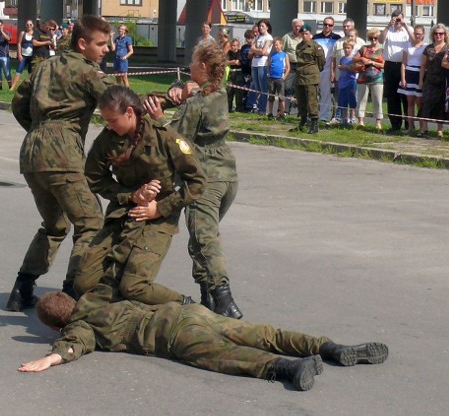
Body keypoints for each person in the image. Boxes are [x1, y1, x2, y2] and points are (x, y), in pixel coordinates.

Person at [19, 286, 389, 392]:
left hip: (172, 334)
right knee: (263, 333)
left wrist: (51, 358)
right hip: (187, 313)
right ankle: (331, 348)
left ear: (56, 326)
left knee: (225, 355)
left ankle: (290, 370)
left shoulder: (78, 328)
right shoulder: (98, 296)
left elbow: (73, 345)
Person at [6, 16, 115, 312]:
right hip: (63, 153)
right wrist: (168, 100)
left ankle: (22, 288)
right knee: (91, 223)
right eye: (102, 44)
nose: (108, 49)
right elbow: (119, 103)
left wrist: (39, 129)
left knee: (54, 225)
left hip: (31, 153)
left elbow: (18, 103)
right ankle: (72, 295)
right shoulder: (89, 72)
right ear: (83, 43)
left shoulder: (44, 67)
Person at [73, 85, 206, 304]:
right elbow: (94, 178)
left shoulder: (164, 137)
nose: (109, 126)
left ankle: (185, 305)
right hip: (123, 212)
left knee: (133, 286)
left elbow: (197, 182)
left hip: (158, 218)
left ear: (129, 113)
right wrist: (131, 195)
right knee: (85, 283)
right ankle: (119, 309)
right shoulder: (107, 140)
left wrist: (159, 209)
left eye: (113, 120)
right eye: (106, 121)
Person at [146, 43, 243, 319]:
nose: (189, 65)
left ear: (202, 66)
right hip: (228, 176)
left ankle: (224, 298)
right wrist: (183, 86)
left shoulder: (196, 103)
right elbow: (197, 89)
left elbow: (176, 141)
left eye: (192, 61)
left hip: (205, 177)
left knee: (204, 238)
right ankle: (207, 297)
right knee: (200, 239)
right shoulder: (219, 92)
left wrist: (158, 119)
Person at [378, 9, 413, 134]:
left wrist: (405, 25)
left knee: (405, 96)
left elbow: (414, 40)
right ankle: (395, 125)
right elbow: (380, 40)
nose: (397, 22)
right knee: (392, 97)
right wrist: (389, 25)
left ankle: (409, 125)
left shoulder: (407, 30)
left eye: (399, 19)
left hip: (404, 65)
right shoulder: (389, 30)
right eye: (395, 19)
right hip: (390, 65)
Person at [330, 20, 365, 124]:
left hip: (354, 79)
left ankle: (353, 118)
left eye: (348, 26)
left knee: (353, 99)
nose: (346, 28)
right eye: (344, 26)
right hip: (342, 78)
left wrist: (348, 67)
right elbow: (334, 60)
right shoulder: (339, 42)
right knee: (342, 99)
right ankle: (341, 118)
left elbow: (362, 62)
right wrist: (333, 73)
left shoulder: (361, 44)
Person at [417, 24, 449, 138]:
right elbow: (423, 66)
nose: (438, 36)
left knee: (441, 105)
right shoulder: (428, 48)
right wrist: (421, 81)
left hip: (443, 80)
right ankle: (423, 128)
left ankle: (440, 129)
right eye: (436, 33)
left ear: (445, 35)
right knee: (426, 102)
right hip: (430, 79)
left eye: (441, 33)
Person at [292, 24, 325, 133]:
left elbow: (321, 63)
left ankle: (314, 123)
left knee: (311, 101)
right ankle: (303, 121)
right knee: (301, 101)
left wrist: (314, 71)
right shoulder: (299, 46)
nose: (304, 36)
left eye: (306, 34)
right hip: (300, 76)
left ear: (310, 34)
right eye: (302, 34)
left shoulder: (316, 46)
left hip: (311, 77)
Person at [397, 25, 426, 133]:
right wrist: (403, 79)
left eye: (419, 33)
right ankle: (410, 126)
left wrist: (421, 80)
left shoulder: (425, 47)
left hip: (419, 74)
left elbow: (424, 64)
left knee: (419, 102)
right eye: (415, 33)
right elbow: (403, 63)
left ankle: (422, 127)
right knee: (410, 103)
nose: (417, 35)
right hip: (409, 73)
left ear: (423, 35)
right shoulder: (407, 46)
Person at [354, 28, 385, 130]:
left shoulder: (382, 50)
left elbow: (384, 65)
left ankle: (378, 122)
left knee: (377, 100)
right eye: (371, 38)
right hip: (363, 77)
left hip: (377, 78)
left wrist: (372, 63)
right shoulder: (364, 48)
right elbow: (354, 59)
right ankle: (361, 121)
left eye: (376, 38)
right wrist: (362, 59)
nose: (374, 40)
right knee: (362, 99)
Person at [313, 16, 341, 123]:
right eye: (325, 24)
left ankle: (323, 117)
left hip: (329, 69)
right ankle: (313, 114)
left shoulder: (337, 38)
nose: (327, 27)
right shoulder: (315, 37)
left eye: (330, 25)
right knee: (313, 93)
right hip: (316, 69)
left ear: (333, 26)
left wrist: (334, 71)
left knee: (326, 94)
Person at [249, 19, 273, 114]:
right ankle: (257, 106)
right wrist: (260, 51)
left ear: (267, 27)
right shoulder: (258, 36)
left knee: (263, 87)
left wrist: (258, 50)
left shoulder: (269, 38)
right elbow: (252, 48)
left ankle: (262, 108)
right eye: (260, 26)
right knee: (256, 87)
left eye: (263, 26)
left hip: (263, 64)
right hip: (254, 63)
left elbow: (264, 51)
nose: (261, 28)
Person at [282, 19, 305, 116]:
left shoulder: (305, 37)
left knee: (301, 89)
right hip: (290, 65)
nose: (297, 28)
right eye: (296, 26)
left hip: (302, 65)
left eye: (299, 26)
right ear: (292, 26)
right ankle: (286, 110)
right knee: (287, 87)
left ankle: (301, 111)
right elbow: (281, 52)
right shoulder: (287, 37)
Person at [266, 37, 290, 120]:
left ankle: (281, 114)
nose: (276, 47)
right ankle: (270, 113)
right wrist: (269, 74)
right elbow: (268, 65)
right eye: (274, 45)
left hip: (280, 78)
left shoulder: (284, 55)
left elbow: (288, 67)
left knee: (281, 97)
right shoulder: (271, 55)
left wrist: (284, 77)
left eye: (277, 45)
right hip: (272, 78)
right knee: (271, 96)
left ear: (281, 45)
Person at [336, 40, 357, 127]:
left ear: (352, 49)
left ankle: (352, 118)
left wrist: (346, 67)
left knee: (352, 101)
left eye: (348, 48)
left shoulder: (353, 59)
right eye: (345, 48)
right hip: (343, 82)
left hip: (351, 81)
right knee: (343, 101)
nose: (346, 50)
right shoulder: (342, 59)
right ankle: (344, 118)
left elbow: (355, 70)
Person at [11, 20, 34, 90]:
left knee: (31, 72)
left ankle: (31, 87)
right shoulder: (22, 33)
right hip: (24, 55)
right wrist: (19, 54)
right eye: (27, 24)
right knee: (19, 70)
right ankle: (12, 87)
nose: (29, 26)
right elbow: (19, 44)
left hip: (32, 56)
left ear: (33, 25)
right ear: (25, 25)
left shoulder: (35, 34)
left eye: (30, 24)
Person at [226, 38, 244, 112]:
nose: (233, 47)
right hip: (231, 72)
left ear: (238, 46)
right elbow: (225, 62)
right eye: (232, 45)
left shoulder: (240, 52)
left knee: (238, 91)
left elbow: (238, 62)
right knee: (229, 91)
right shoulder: (229, 53)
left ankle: (239, 108)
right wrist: (232, 62)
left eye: (235, 45)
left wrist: (231, 62)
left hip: (238, 73)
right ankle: (229, 108)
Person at [241, 30, 255, 112]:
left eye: (250, 38)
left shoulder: (254, 47)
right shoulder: (244, 47)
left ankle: (251, 105)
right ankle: (244, 104)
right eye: (247, 38)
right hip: (244, 70)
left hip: (252, 70)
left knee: (252, 88)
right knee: (244, 88)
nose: (248, 40)